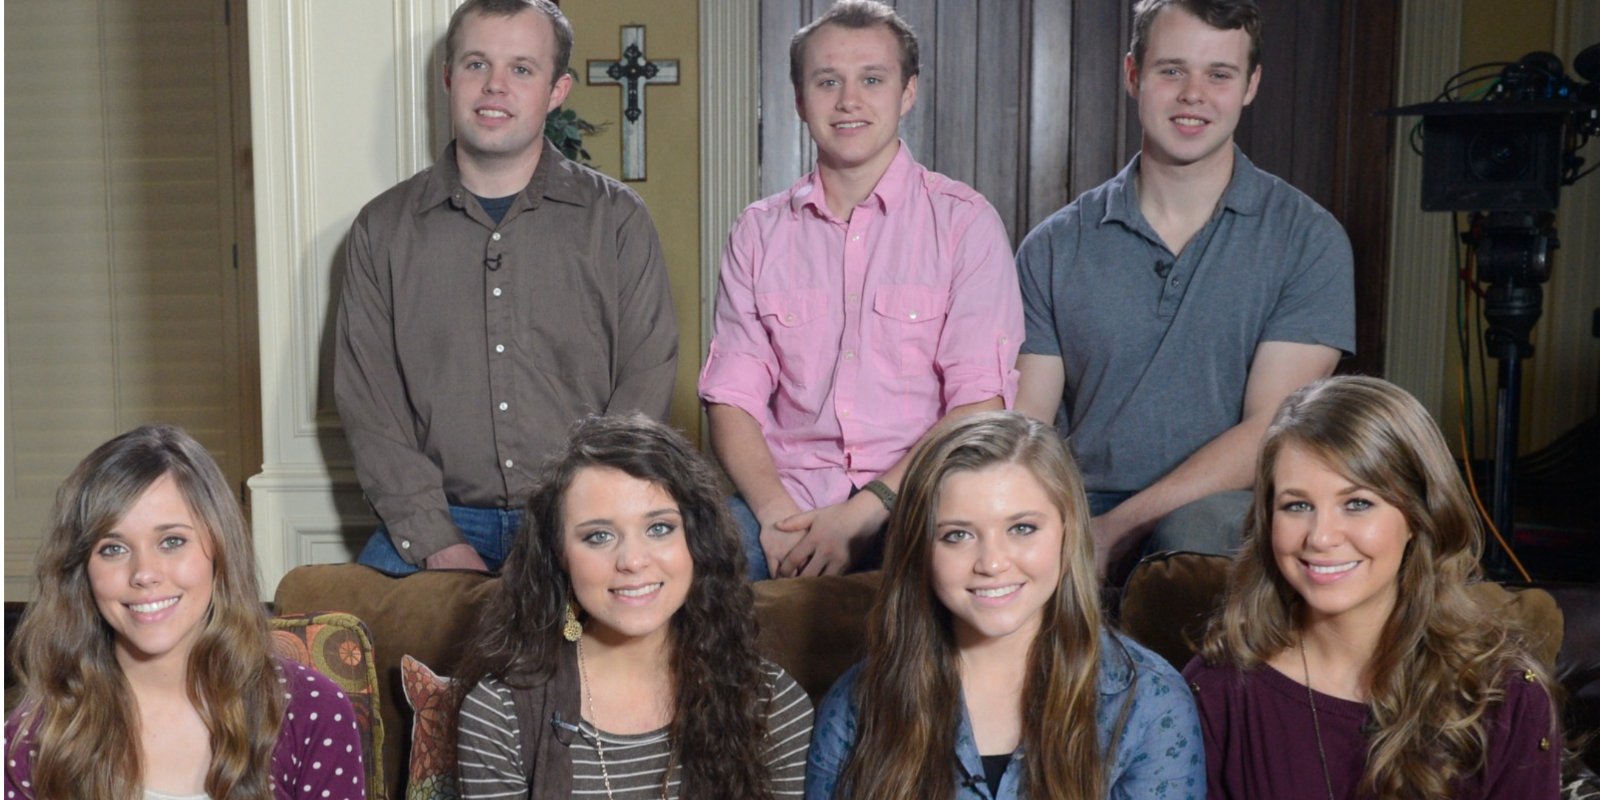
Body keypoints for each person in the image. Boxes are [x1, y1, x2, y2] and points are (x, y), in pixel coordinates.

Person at [336, 0, 677, 575]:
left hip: (580, 516)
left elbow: (644, 384)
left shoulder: (616, 220)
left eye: (521, 69)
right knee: (357, 637)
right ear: (448, 79)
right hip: (440, 517)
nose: (495, 87)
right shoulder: (383, 229)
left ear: (557, 89)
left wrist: (581, 528)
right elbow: (372, 407)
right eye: (476, 65)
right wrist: (437, 540)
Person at [1013, 0, 1354, 575]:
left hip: (1228, 518)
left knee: (1189, 531)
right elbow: (1027, 427)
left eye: (1219, 74)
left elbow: (1272, 432)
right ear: (1132, 76)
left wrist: (1119, 529)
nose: (1194, 94)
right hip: (1078, 510)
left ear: (1250, 85)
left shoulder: (1307, 238)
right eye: (1172, 70)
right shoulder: (1053, 246)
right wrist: (1032, 525)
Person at [700, 0, 1023, 581]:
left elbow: (979, 405)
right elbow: (731, 397)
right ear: (799, 100)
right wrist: (775, 515)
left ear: (907, 93)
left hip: (923, 499)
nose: (849, 100)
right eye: (828, 82)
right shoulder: (757, 232)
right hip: (788, 498)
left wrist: (859, 514)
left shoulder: (964, 224)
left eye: (872, 79)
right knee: (696, 566)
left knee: (963, 571)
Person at [1183, 376, 1561, 799]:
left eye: (1357, 503)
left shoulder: (1506, 697)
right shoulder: (1219, 690)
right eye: (1297, 505)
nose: (1321, 537)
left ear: (1420, 516)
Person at [806, 412, 1204, 799]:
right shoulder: (859, 702)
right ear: (920, 550)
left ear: (1069, 533)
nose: (992, 563)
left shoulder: (1149, 701)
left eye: (1022, 529)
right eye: (957, 534)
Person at [451, 414, 814, 798]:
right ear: (560, 554)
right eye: (599, 536)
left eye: (659, 528)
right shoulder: (499, 714)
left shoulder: (772, 704)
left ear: (698, 540)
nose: (633, 561)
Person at [4, 425, 365, 800]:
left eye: (172, 541)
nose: (144, 573)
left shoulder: (312, 712)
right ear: (82, 570)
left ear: (219, 549)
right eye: (113, 548)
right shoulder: (32, 740)